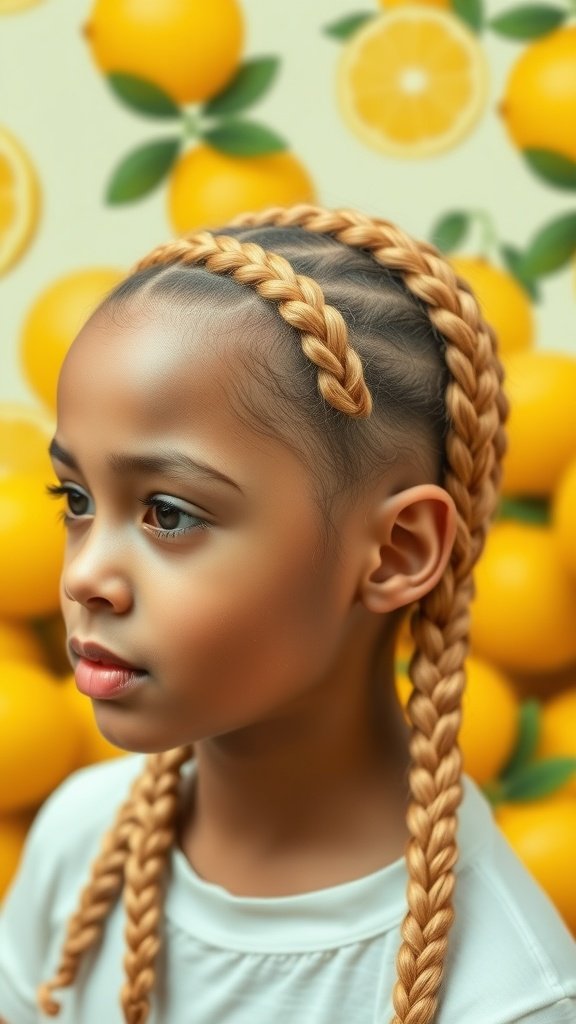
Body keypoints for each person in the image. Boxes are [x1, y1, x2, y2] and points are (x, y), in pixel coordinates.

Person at [0, 204, 575, 1024]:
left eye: (168, 512)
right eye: (78, 499)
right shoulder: (78, 843)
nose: (86, 575)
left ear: (399, 552)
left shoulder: (508, 998)